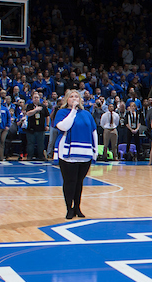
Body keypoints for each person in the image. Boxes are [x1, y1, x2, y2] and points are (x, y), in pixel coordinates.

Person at [53, 89, 98, 220]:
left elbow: (94, 131)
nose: (74, 98)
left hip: (84, 153)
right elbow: (63, 127)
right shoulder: (62, 112)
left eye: (76, 97)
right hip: (67, 153)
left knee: (79, 182)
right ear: (67, 99)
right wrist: (73, 111)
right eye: (71, 96)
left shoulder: (87, 114)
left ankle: (77, 207)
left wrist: (94, 151)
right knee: (69, 182)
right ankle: (69, 208)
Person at [25, 94, 49, 161]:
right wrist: (35, 110)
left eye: (37, 97)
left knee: (41, 143)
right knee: (30, 144)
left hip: (40, 129)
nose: (36, 99)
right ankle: (29, 156)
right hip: (31, 129)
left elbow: (47, 116)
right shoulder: (30, 106)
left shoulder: (43, 106)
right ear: (32, 99)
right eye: (35, 98)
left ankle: (41, 156)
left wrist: (47, 125)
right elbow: (28, 114)